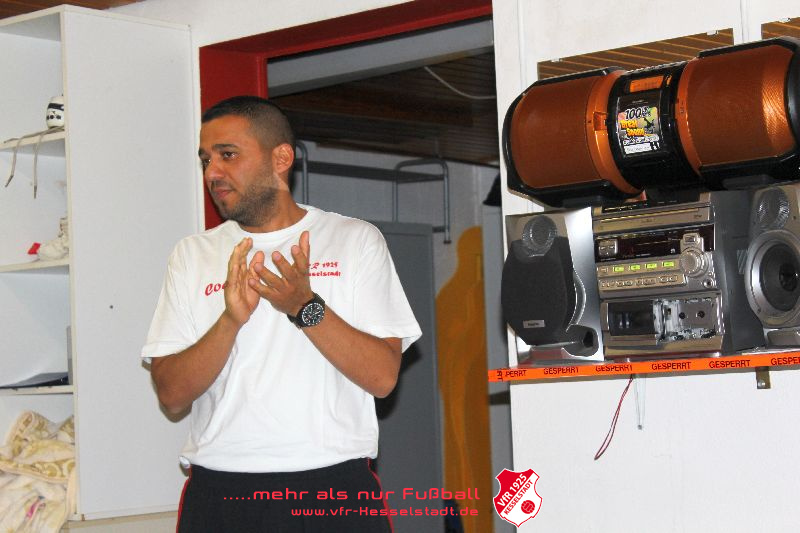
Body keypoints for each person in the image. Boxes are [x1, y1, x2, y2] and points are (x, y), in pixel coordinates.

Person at [141, 95, 421, 532]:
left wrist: (304, 308)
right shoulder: (192, 255)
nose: (212, 173)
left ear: (281, 158)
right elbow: (172, 395)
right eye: (205, 160)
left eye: (227, 155)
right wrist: (230, 321)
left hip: (331, 489)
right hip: (221, 493)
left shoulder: (354, 240)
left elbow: (383, 377)